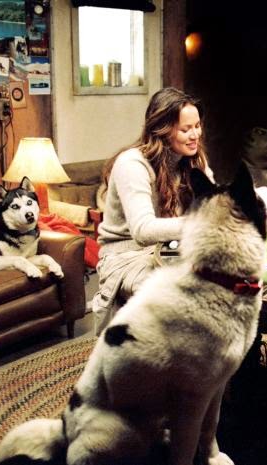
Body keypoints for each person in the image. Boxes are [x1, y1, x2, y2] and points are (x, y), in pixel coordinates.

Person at [91, 87, 213, 334]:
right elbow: (143, 230)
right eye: (185, 129)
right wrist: (202, 223)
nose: (195, 135)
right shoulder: (132, 163)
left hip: (171, 250)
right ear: (163, 130)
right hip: (125, 257)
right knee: (184, 298)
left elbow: (212, 206)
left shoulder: (194, 160)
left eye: (197, 126)